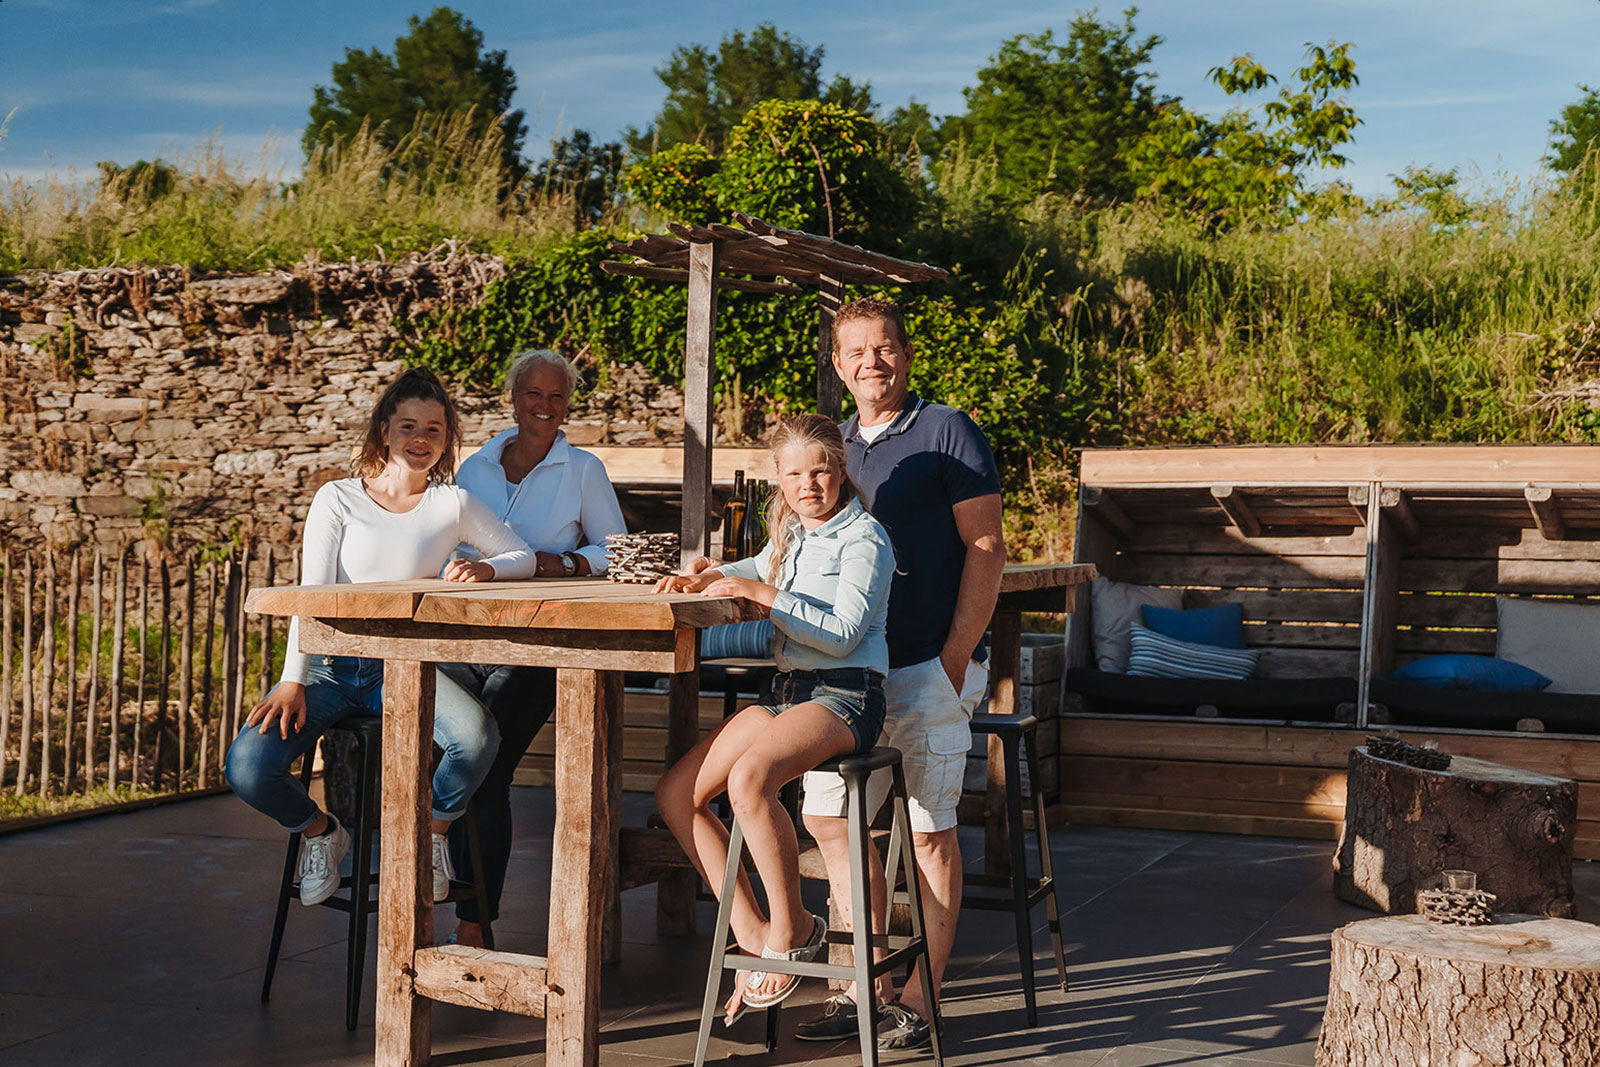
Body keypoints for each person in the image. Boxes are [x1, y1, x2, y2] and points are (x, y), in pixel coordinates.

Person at [226, 367, 538, 909]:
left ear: (446, 440)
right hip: (329, 667)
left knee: (480, 740)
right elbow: (313, 595)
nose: (421, 439)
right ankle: (321, 832)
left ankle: (431, 837)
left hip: (405, 666)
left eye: (434, 430)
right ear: (383, 432)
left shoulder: (453, 503)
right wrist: (291, 679)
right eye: (408, 426)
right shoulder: (338, 498)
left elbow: (524, 556)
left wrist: (487, 570)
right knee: (248, 767)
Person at [794, 296, 1006, 1050]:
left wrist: (953, 660)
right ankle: (868, 983)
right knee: (829, 816)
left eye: (882, 348)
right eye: (855, 351)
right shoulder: (836, 444)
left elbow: (986, 549)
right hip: (854, 674)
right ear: (837, 362)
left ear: (906, 355)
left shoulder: (948, 430)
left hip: (926, 667)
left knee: (924, 832)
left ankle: (922, 996)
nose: (870, 363)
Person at [653, 413, 896, 1025]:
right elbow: (761, 566)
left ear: (841, 471)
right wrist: (709, 575)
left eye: (821, 471)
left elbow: (842, 636)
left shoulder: (864, 538)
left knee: (751, 781)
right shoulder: (791, 530)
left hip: (846, 694)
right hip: (790, 690)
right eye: (795, 474)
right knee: (679, 794)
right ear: (779, 480)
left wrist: (766, 599)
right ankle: (756, 931)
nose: (809, 484)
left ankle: (795, 929)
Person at [440, 348, 627, 949]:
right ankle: (447, 904)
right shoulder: (476, 467)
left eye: (557, 397)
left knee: (487, 767)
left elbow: (618, 554)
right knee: (459, 760)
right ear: (513, 398)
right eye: (533, 395)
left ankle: (474, 921)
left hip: (540, 642)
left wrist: (565, 562)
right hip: (466, 634)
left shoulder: (583, 470)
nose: (544, 407)